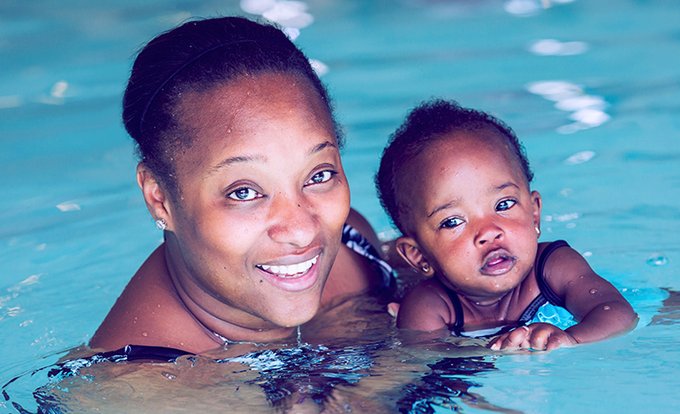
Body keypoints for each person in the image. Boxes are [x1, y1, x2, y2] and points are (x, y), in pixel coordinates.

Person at [89, 16, 392, 356]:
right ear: (160, 199)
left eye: (318, 175)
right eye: (243, 192)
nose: (302, 231)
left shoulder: (355, 246)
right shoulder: (138, 392)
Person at [375, 99, 637, 351]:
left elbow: (618, 313)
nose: (488, 232)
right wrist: (493, 351)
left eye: (503, 205)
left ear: (534, 214)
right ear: (418, 254)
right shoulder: (429, 306)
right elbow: (428, 360)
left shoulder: (553, 266)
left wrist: (570, 339)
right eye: (453, 221)